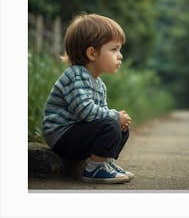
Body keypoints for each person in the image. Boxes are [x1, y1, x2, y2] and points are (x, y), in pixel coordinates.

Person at [42, 13, 134, 184]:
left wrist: (116, 119)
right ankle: (95, 169)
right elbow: (85, 112)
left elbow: (100, 114)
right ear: (92, 53)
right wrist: (114, 116)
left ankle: (106, 163)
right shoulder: (76, 76)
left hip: (78, 132)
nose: (120, 55)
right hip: (62, 136)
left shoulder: (98, 83)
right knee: (111, 122)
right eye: (114, 49)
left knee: (120, 127)